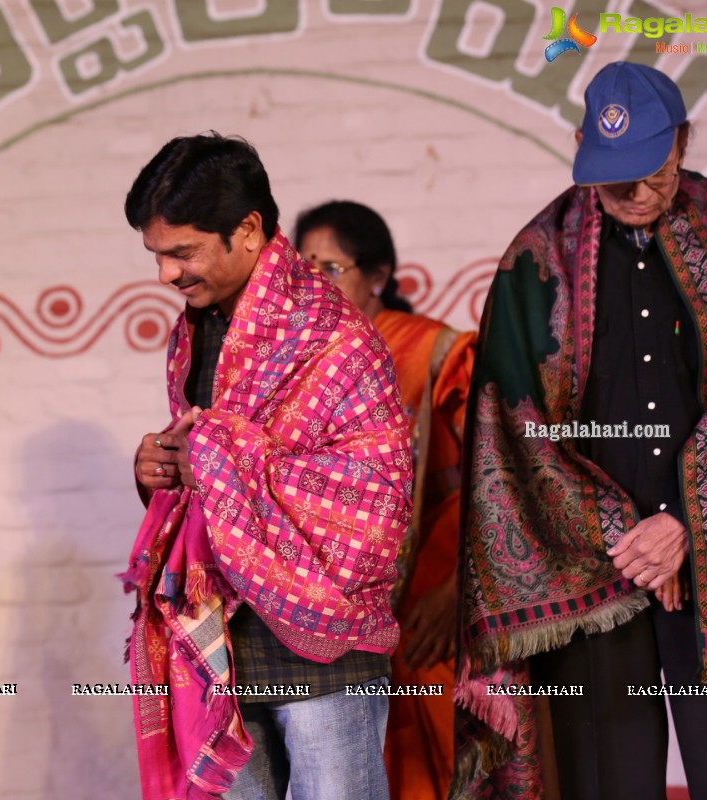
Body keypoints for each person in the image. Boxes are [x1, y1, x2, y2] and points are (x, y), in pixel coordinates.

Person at [455, 61, 707, 799]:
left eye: (651, 172)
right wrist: (623, 536)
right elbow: (508, 430)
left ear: (684, 143)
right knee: (606, 777)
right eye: (612, 176)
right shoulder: (539, 258)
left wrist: (683, 525)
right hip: (591, 569)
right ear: (579, 145)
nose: (633, 193)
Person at [119, 132, 413, 800]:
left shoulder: (333, 336)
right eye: (157, 255)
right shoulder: (193, 329)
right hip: (222, 644)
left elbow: (375, 502)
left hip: (325, 652)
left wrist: (215, 460)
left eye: (181, 252)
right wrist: (161, 466)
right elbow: (211, 460)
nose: (166, 274)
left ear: (248, 230)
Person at [295, 200, 474, 800]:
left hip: (431, 596)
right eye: (303, 270)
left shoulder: (437, 352)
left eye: (329, 268)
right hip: (337, 613)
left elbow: (496, 478)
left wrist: (458, 591)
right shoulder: (294, 368)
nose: (314, 285)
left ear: (376, 275)